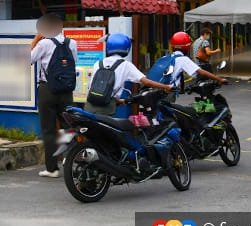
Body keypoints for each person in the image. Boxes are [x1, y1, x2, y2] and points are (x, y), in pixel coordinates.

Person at [31, 13, 77, 179]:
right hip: (66, 91)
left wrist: (36, 39)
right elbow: (74, 62)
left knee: (49, 130)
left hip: (47, 90)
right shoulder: (73, 43)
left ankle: (52, 169)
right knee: (67, 127)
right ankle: (70, 162)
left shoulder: (44, 43)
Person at [85, 34, 173, 116]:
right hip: (107, 108)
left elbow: (93, 87)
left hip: (90, 105)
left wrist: (117, 100)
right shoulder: (126, 64)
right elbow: (146, 82)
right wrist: (165, 86)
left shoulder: (98, 63)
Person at [168, 31, 227, 101]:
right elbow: (208, 53)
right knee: (206, 88)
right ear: (205, 34)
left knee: (199, 85)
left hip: (195, 65)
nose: (209, 37)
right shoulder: (204, 42)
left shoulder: (196, 42)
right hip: (204, 66)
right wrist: (219, 79)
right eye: (208, 35)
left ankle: (183, 90)